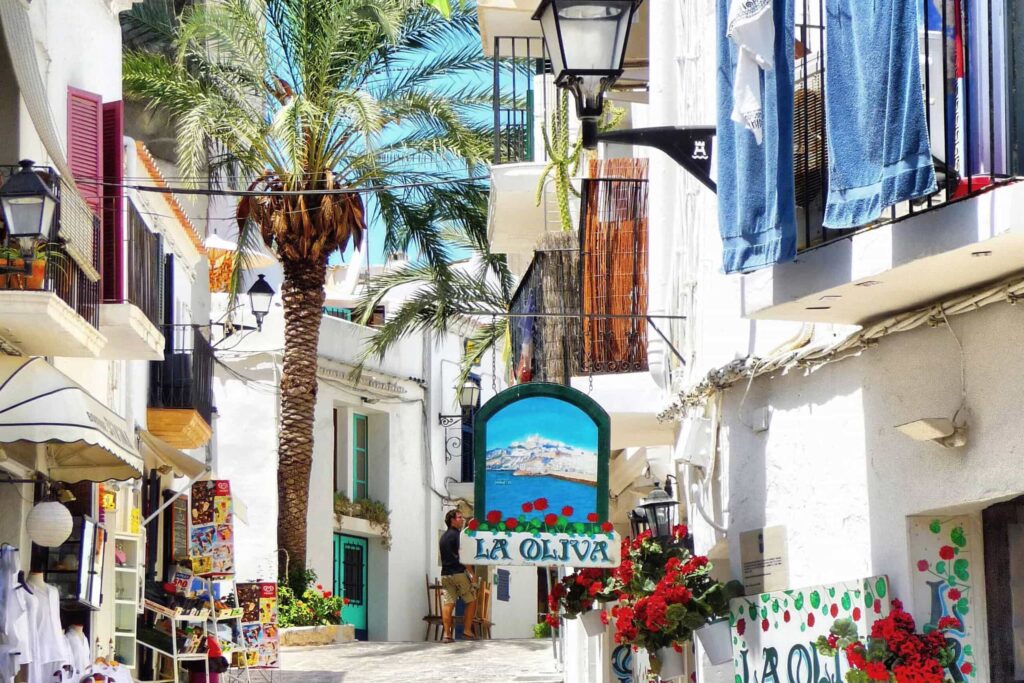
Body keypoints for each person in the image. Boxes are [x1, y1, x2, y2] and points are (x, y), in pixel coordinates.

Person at [438, 509, 477, 642]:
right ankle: (466, 631)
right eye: (459, 517)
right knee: (471, 601)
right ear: (452, 520)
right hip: (459, 573)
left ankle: (447, 635)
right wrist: (472, 573)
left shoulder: (443, 537)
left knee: (448, 604)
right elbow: (463, 556)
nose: (462, 520)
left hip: (445, 574)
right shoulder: (459, 536)